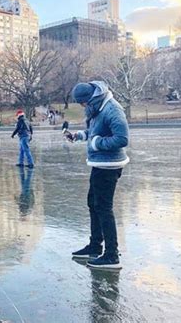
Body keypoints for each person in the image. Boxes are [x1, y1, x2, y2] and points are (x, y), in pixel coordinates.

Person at [67, 81, 129, 270]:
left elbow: (122, 138)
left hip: (109, 166)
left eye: (83, 103)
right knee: (93, 203)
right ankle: (95, 246)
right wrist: (79, 136)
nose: (83, 107)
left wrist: (96, 143)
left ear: (90, 99)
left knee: (103, 208)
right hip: (99, 164)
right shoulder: (98, 107)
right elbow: (96, 132)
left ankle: (111, 255)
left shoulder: (112, 109)